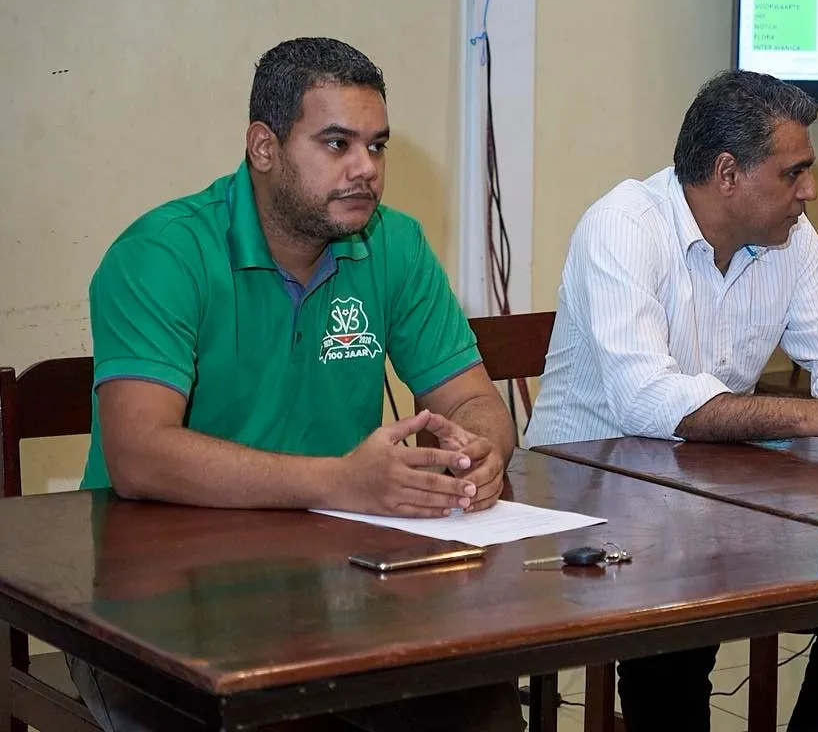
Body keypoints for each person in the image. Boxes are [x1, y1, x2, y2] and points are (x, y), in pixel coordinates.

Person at [73, 37, 523, 732]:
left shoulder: (394, 245)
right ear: (264, 147)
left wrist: (481, 454)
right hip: (157, 609)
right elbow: (139, 454)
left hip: (336, 589)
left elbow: (473, 401)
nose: (365, 168)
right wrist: (340, 481)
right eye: (337, 144)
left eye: (377, 146)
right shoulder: (162, 254)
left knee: (476, 700)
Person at [526, 68, 818, 732]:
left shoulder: (789, 238)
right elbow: (645, 400)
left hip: (708, 490)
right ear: (728, 173)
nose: (810, 191)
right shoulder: (623, 225)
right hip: (587, 495)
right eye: (794, 173)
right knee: (677, 618)